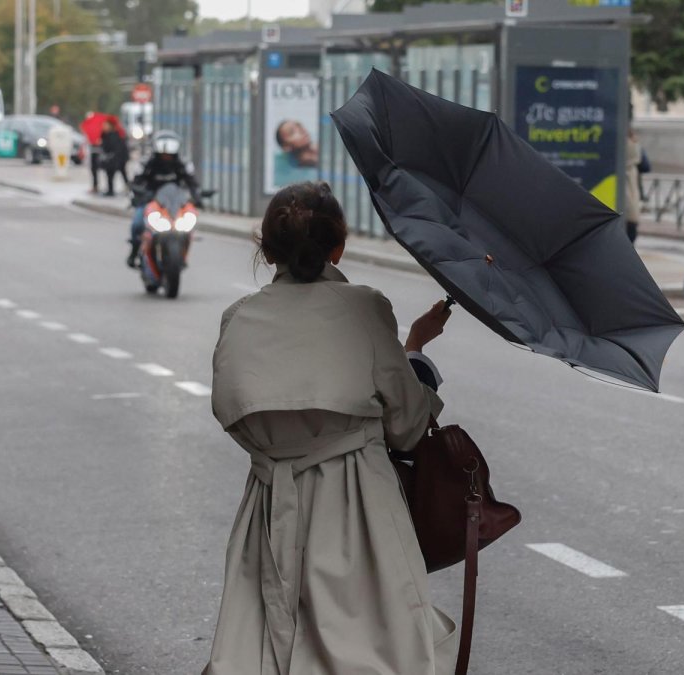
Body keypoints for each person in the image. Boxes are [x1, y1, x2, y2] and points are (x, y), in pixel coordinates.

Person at [203, 181, 458, 675]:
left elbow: (232, 412)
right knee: (370, 650)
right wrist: (415, 354)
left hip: (270, 506)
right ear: (339, 246)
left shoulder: (238, 318)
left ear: (266, 247)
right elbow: (407, 427)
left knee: (264, 651)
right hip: (357, 506)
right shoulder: (365, 308)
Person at [125, 135, 201, 267]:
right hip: (151, 201)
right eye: (163, 154)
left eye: (169, 154)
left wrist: (197, 196)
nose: (166, 157)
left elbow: (192, 182)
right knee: (137, 224)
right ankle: (134, 251)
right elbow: (136, 182)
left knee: (189, 223)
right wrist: (138, 194)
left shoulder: (182, 163)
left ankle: (182, 253)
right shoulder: (146, 163)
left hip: (175, 203)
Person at [99, 119, 129, 197]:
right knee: (111, 174)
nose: (104, 127)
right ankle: (110, 190)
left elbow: (114, 148)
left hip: (116, 159)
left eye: (106, 125)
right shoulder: (105, 135)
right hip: (112, 159)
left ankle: (128, 188)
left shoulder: (114, 135)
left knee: (119, 173)